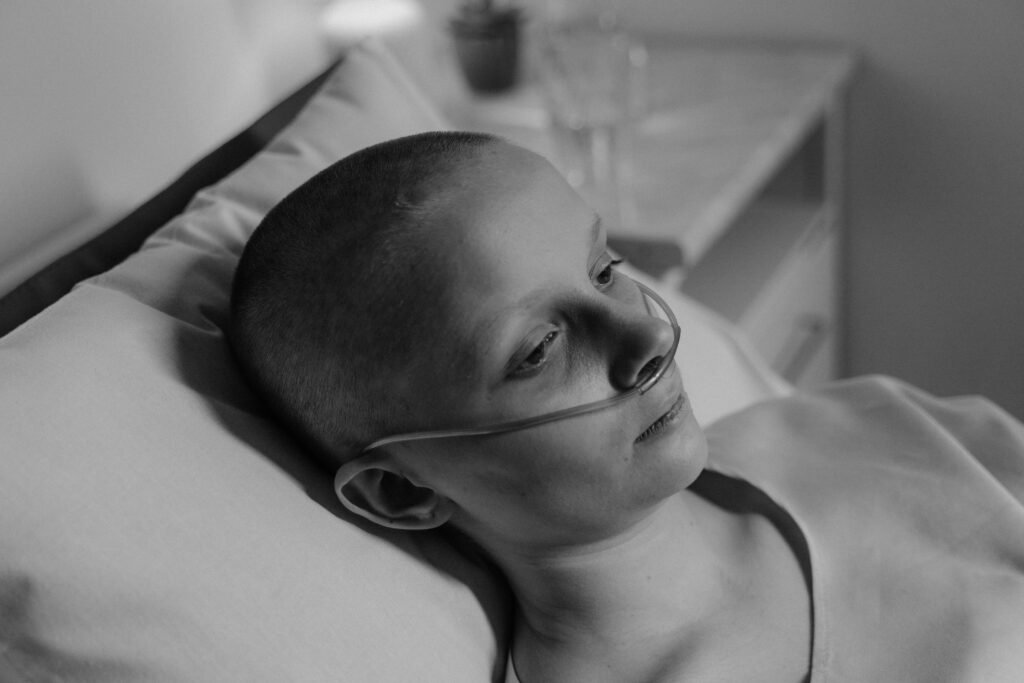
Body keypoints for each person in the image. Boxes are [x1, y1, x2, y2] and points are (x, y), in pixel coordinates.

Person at [230, 131, 1024, 682]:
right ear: (403, 489)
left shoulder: (882, 427)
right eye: (539, 349)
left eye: (605, 269)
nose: (646, 332)